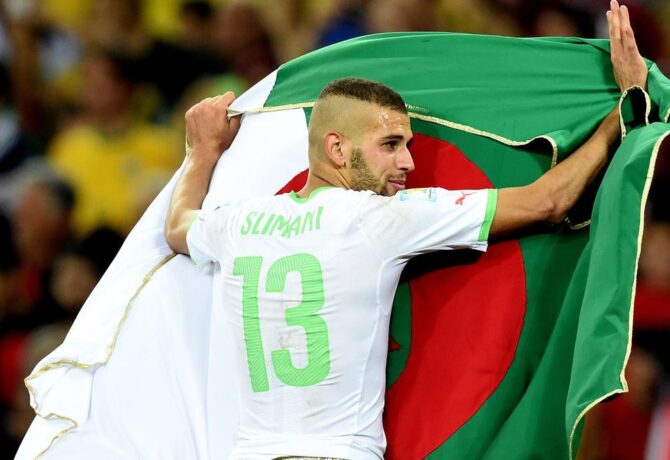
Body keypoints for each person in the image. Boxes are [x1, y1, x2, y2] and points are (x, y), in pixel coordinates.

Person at [164, 1, 646, 458]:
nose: (408, 162)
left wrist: (201, 151)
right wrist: (623, 110)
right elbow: (548, 201)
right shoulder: (377, 219)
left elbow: (177, 226)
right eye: (390, 144)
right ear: (337, 148)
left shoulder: (239, 223)